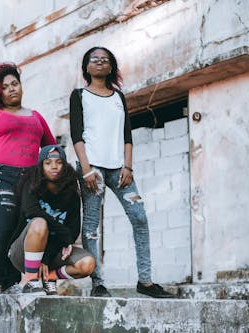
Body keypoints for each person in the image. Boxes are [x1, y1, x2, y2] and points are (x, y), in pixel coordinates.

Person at [69, 47, 173, 298]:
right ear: (86, 66)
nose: (100, 62)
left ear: (111, 66)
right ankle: (98, 283)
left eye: (105, 59)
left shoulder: (118, 97)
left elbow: (127, 135)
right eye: (95, 59)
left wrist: (128, 166)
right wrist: (85, 170)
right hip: (92, 169)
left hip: (119, 169)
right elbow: (77, 134)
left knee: (139, 217)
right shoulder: (79, 95)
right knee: (92, 227)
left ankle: (145, 281)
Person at [0, 63, 56, 294]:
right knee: (2, 228)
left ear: (21, 86)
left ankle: (11, 283)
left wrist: (53, 178)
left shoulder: (36, 116)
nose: (11, 89)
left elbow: (50, 148)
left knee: (19, 231)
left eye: (15, 84)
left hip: (30, 182)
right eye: (5, 87)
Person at [8, 145, 95, 295]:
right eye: (48, 163)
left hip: (53, 252)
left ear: (65, 166)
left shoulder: (71, 193)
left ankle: (50, 277)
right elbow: (32, 211)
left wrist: (47, 257)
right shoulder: (31, 184)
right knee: (39, 223)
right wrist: (63, 234)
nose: (54, 167)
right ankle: (31, 281)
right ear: (41, 166)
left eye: (59, 162)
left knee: (87, 264)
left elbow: (72, 232)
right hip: (22, 252)